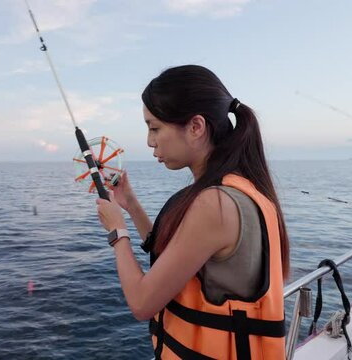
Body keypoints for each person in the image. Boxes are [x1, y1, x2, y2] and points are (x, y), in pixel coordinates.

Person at [96, 65, 290, 360]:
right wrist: (131, 205)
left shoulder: (216, 204)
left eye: (155, 127)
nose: (150, 141)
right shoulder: (238, 188)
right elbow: (178, 257)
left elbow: (142, 303)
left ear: (196, 127)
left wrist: (117, 231)